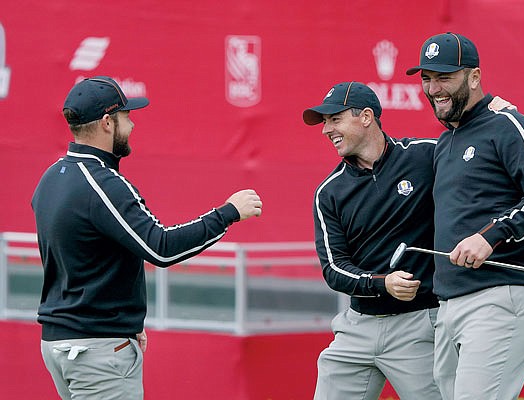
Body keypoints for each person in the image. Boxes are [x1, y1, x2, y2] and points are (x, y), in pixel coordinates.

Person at [31, 76, 263, 400]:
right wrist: (227, 213)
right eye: (126, 116)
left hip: (61, 343)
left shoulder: (52, 176)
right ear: (108, 123)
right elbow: (162, 248)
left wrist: (124, 320)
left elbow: (84, 257)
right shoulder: (104, 183)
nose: (133, 125)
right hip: (97, 351)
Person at [406, 32, 524, 399]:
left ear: (474, 76)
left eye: (445, 77)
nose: (434, 88)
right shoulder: (445, 142)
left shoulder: (509, 125)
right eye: (426, 78)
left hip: (501, 298)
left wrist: (491, 235)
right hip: (451, 304)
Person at [303, 81, 442, 400]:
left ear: (366, 116)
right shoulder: (330, 193)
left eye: (334, 119)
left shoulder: (426, 156)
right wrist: (383, 283)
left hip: (420, 326)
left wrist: (495, 115)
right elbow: (334, 269)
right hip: (357, 327)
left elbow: (474, 161)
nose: (326, 130)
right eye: (325, 122)